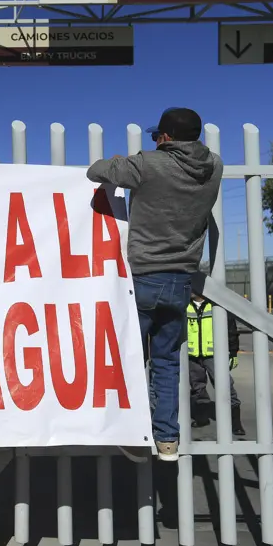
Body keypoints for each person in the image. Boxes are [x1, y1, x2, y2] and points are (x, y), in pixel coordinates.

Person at [87, 107, 222, 462]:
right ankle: (166, 440)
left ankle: (131, 432)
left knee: (129, 358)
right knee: (165, 362)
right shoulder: (214, 167)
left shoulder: (147, 164)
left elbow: (95, 171)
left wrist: (119, 161)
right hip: (180, 280)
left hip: (143, 276)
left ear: (164, 137)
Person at [187, 292, 245, 435]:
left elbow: (231, 329)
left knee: (225, 386)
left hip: (214, 355)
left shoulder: (216, 305)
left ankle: (235, 423)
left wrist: (233, 352)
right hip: (192, 355)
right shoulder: (184, 305)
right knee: (197, 388)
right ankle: (202, 418)